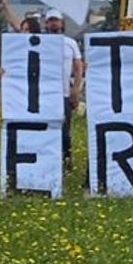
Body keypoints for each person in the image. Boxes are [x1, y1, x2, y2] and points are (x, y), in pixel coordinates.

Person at [44, 9, 84, 171]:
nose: (53, 23)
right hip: (45, 94)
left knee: (64, 131)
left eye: (56, 20)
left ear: (61, 23)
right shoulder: (41, 42)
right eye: (50, 20)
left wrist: (76, 89)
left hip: (64, 94)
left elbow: (78, 67)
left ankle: (66, 162)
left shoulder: (70, 43)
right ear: (46, 24)